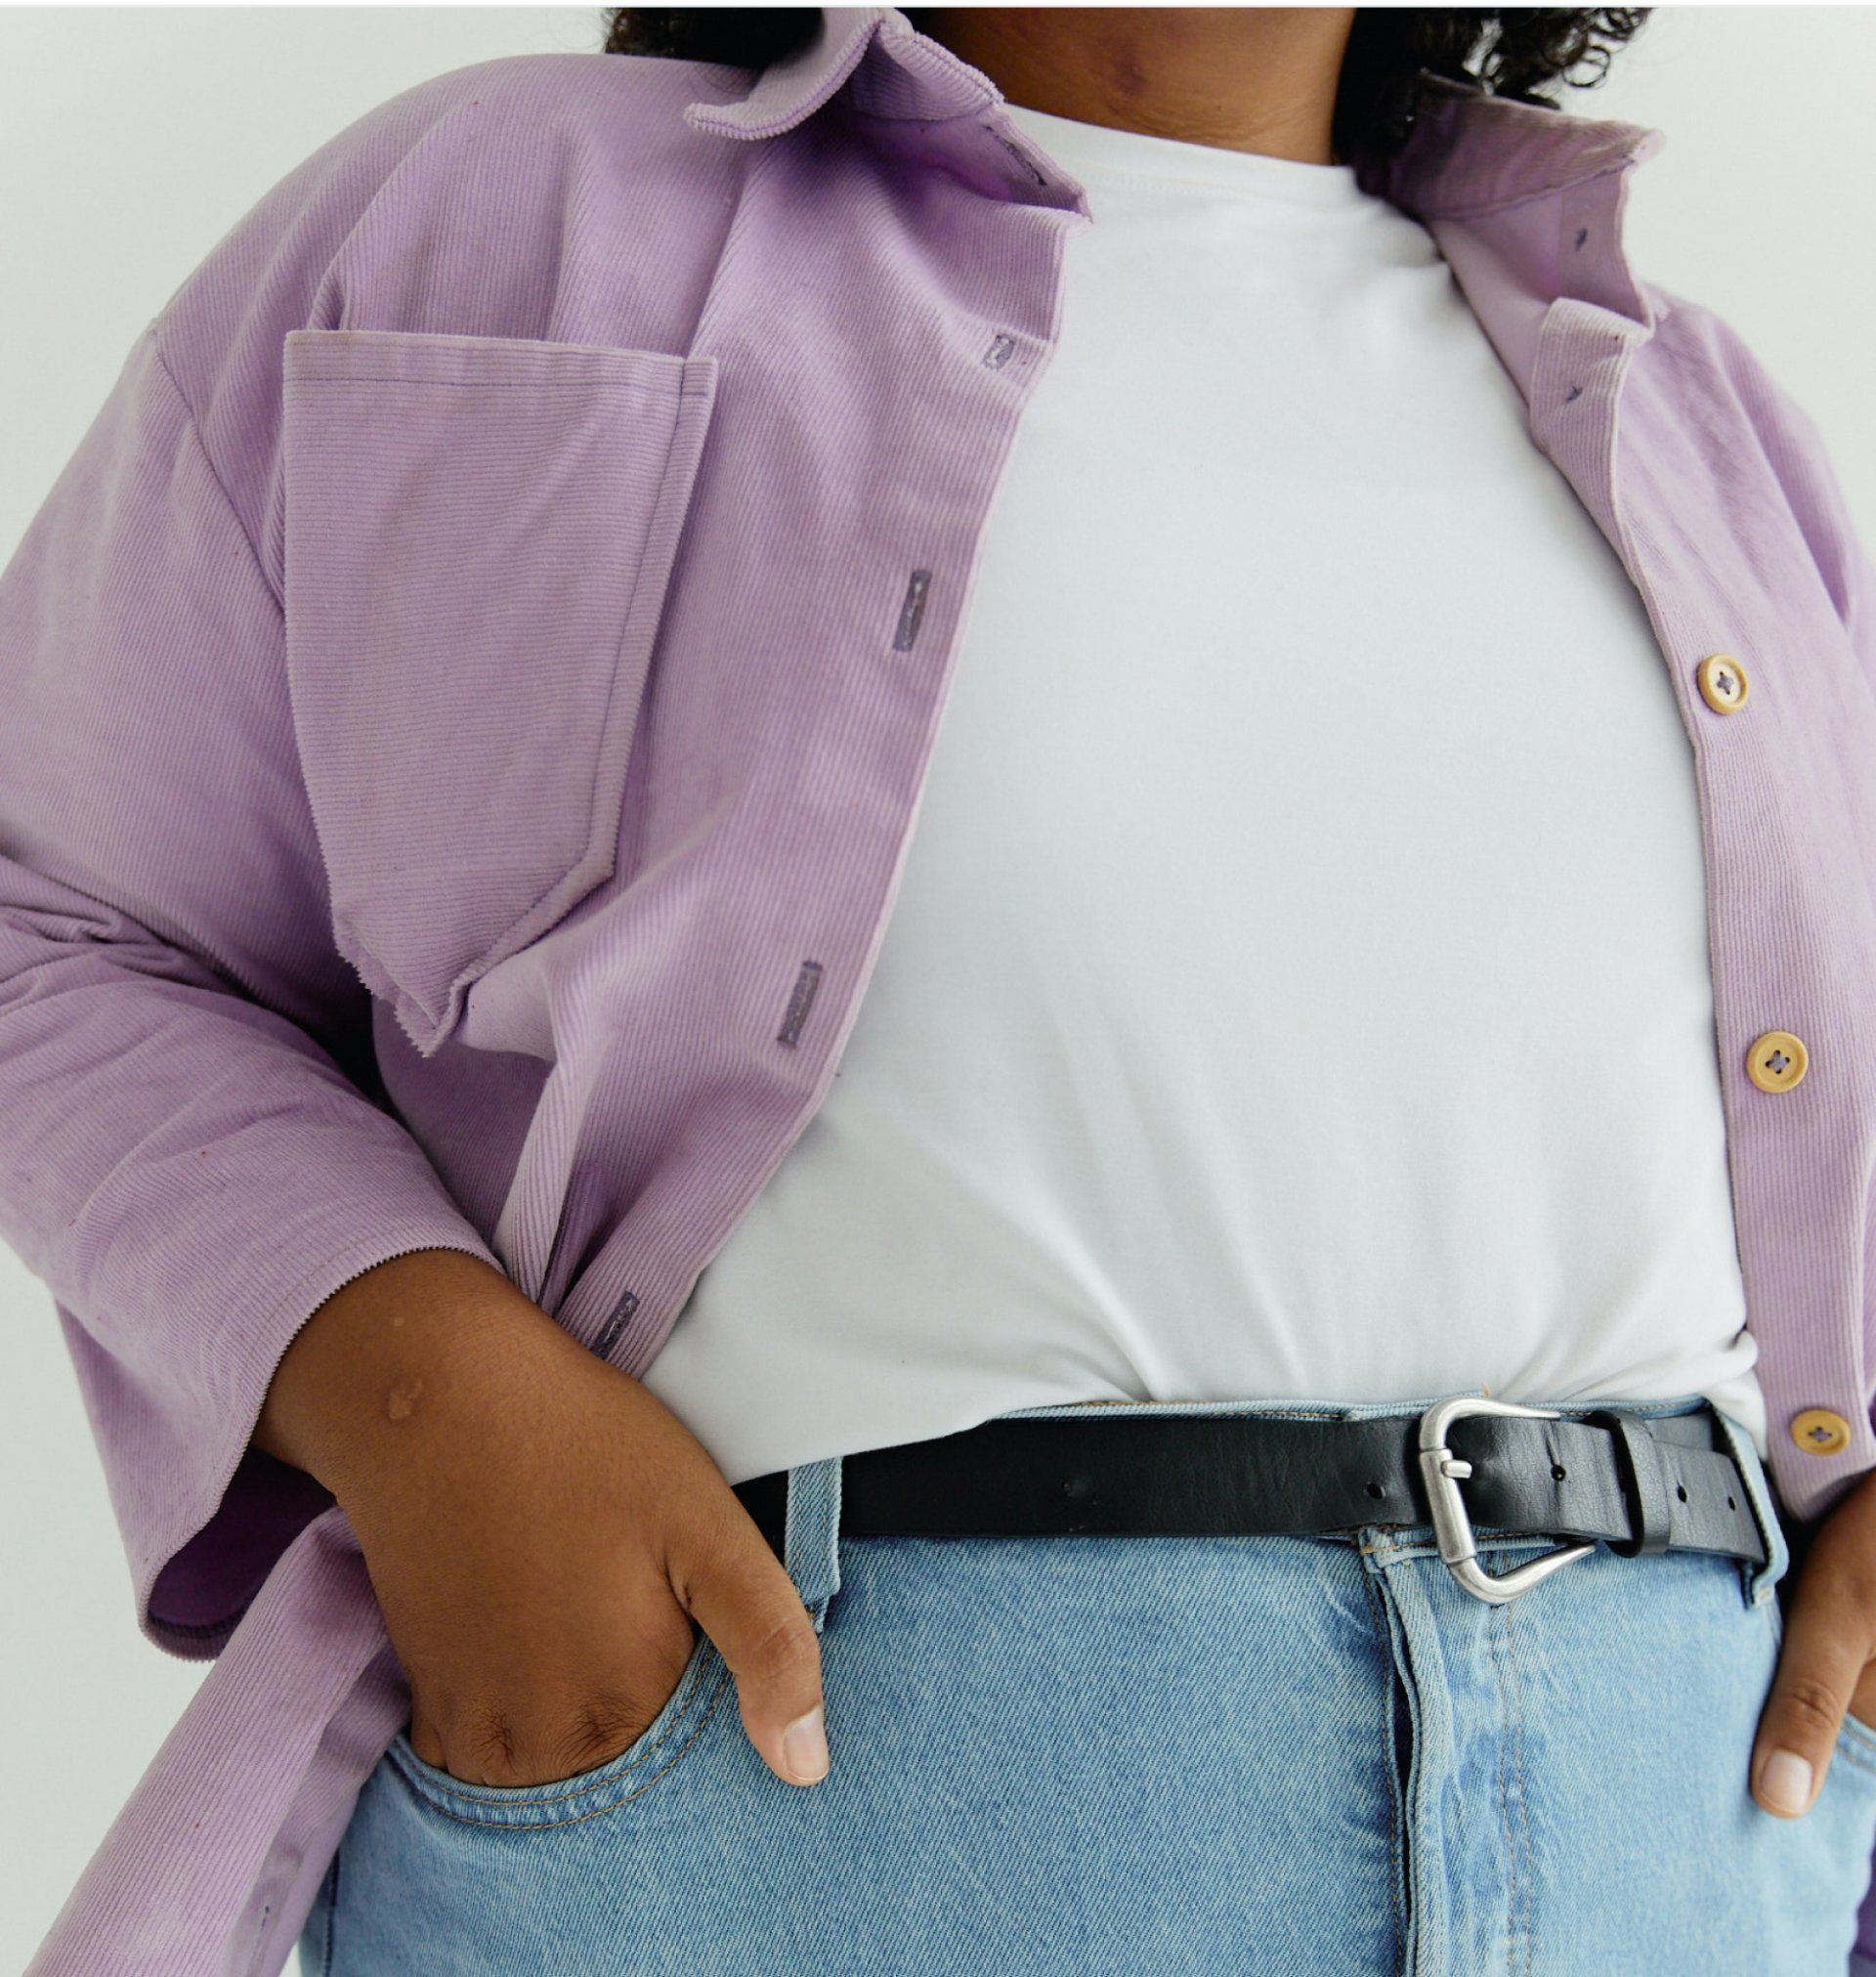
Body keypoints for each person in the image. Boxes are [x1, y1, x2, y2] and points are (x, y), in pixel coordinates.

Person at [9, 6, 1876, 1971]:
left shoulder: (1700, 415)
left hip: (1680, 1823)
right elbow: (46, 907)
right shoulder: (502, 225)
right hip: (800, 1806)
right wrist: (423, 1392)